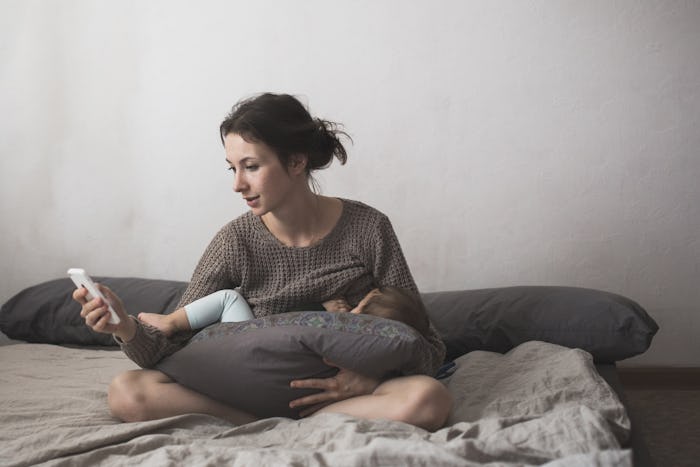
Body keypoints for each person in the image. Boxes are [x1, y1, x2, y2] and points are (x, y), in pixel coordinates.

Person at [74, 92, 451, 430]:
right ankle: (257, 422)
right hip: (247, 388)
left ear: (296, 161)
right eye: (232, 168)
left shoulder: (369, 228)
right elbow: (171, 347)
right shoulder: (234, 241)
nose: (237, 184)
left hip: (342, 392)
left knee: (428, 399)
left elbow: (427, 345)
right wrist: (123, 326)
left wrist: (367, 381)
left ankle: (315, 418)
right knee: (127, 392)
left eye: (251, 166)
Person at [137, 286, 431, 338]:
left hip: (247, 339)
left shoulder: (339, 327)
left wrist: (323, 309)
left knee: (228, 298)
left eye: (357, 306)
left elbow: (287, 321)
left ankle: (171, 322)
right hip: (247, 346)